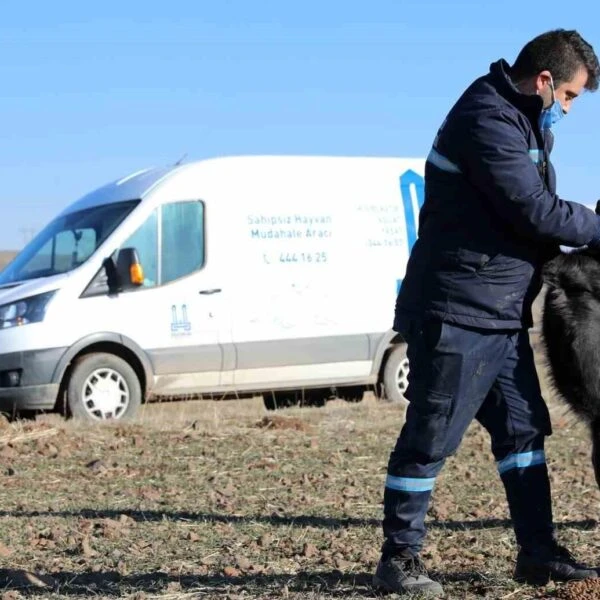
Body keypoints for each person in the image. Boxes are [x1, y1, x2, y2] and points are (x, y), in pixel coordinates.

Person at [374, 29, 600, 597]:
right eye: (570, 97)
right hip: (457, 311)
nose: (569, 109)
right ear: (545, 81)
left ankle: (538, 552)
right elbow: (534, 209)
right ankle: (398, 562)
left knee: (523, 429)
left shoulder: (521, 122)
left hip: (497, 312)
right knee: (430, 437)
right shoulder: (487, 118)